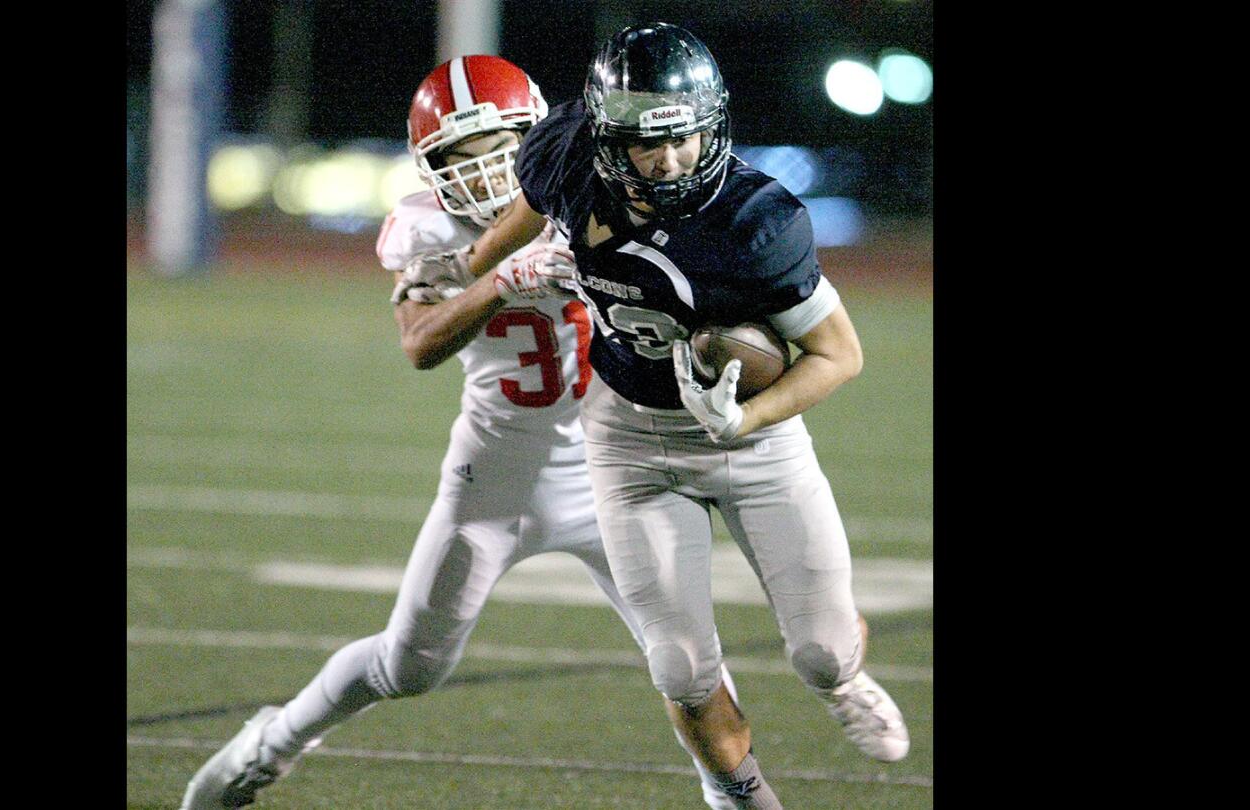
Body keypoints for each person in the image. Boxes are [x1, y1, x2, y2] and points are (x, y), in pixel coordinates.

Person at [181, 54, 743, 810]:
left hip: (618, 470)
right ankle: (271, 743)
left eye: (499, 148)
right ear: (429, 167)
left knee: (693, 669)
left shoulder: (599, 192)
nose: (483, 174)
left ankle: (737, 795)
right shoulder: (427, 229)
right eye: (460, 157)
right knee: (410, 666)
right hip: (496, 476)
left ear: (538, 136)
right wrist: (501, 281)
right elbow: (418, 342)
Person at [401, 24, 910, 810]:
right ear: (605, 138)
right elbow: (532, 203)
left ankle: (844, 680)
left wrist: (745, 418)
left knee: (819, 652)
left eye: (685, 138)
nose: (670, 159)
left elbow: (841, 356)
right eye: (647, 144)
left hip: (754, 438)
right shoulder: (562, 151)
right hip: (630, 434)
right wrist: (477, 267)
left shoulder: (759, 223)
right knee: (680, 666)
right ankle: (743, 796)